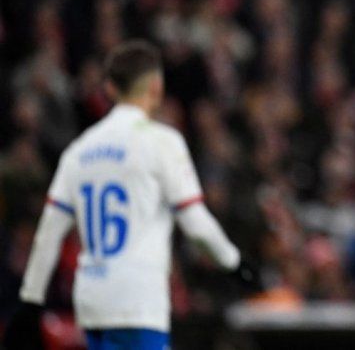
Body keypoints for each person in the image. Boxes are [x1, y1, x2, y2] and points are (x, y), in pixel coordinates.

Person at [3, 40, 260, 350]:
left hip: (92, 298)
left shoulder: (79, 151)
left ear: (110, 88)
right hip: (137, 297)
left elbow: (48, 233)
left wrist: (30, 300)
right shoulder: (162, 142)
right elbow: (196, 224)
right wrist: (235, 264)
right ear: (156, 87)